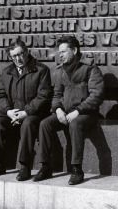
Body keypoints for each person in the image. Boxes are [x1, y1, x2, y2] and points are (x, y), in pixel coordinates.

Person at [33, 35, 104, 185]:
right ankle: (45, 166)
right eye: (60, 52)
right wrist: (57, 109)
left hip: (86, 114)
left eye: (64, 52)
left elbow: (96, 95)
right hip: (65, 112)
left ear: (74, 50)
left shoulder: (90, 68)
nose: (60, 55)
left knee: (75, 124)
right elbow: (57, 95)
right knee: (45, 124)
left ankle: (77, 169)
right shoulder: (59, 71)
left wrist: (78, 110)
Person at [0, 38, 52, 181]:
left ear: (27, 52)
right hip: (11, 113)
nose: (18, 58)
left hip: (32, 113)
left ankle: (25, 166)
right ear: (10, 57)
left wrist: (25, 112)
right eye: (14, 56)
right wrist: (9, 111)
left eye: (20, 54)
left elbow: (43, 96)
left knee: (28, 124)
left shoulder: (41, 70)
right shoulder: (7, 72)